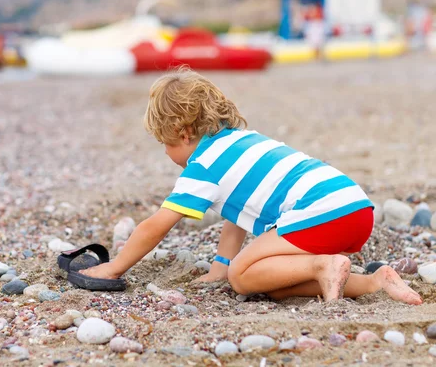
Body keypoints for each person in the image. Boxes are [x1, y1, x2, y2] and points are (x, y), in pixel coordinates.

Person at [80, 67, 423, 305]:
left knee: (242, 276)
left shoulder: (204, 166)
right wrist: (218, 267)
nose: (168, 153)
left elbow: (156, 226)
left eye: (165, 144)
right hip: (354, 207)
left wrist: (114, 268)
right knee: (274, 284)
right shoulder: (242, 141)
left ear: (182, 133)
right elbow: (238, 215)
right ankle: (375, 282)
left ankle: (323, 265)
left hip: (321, 212)